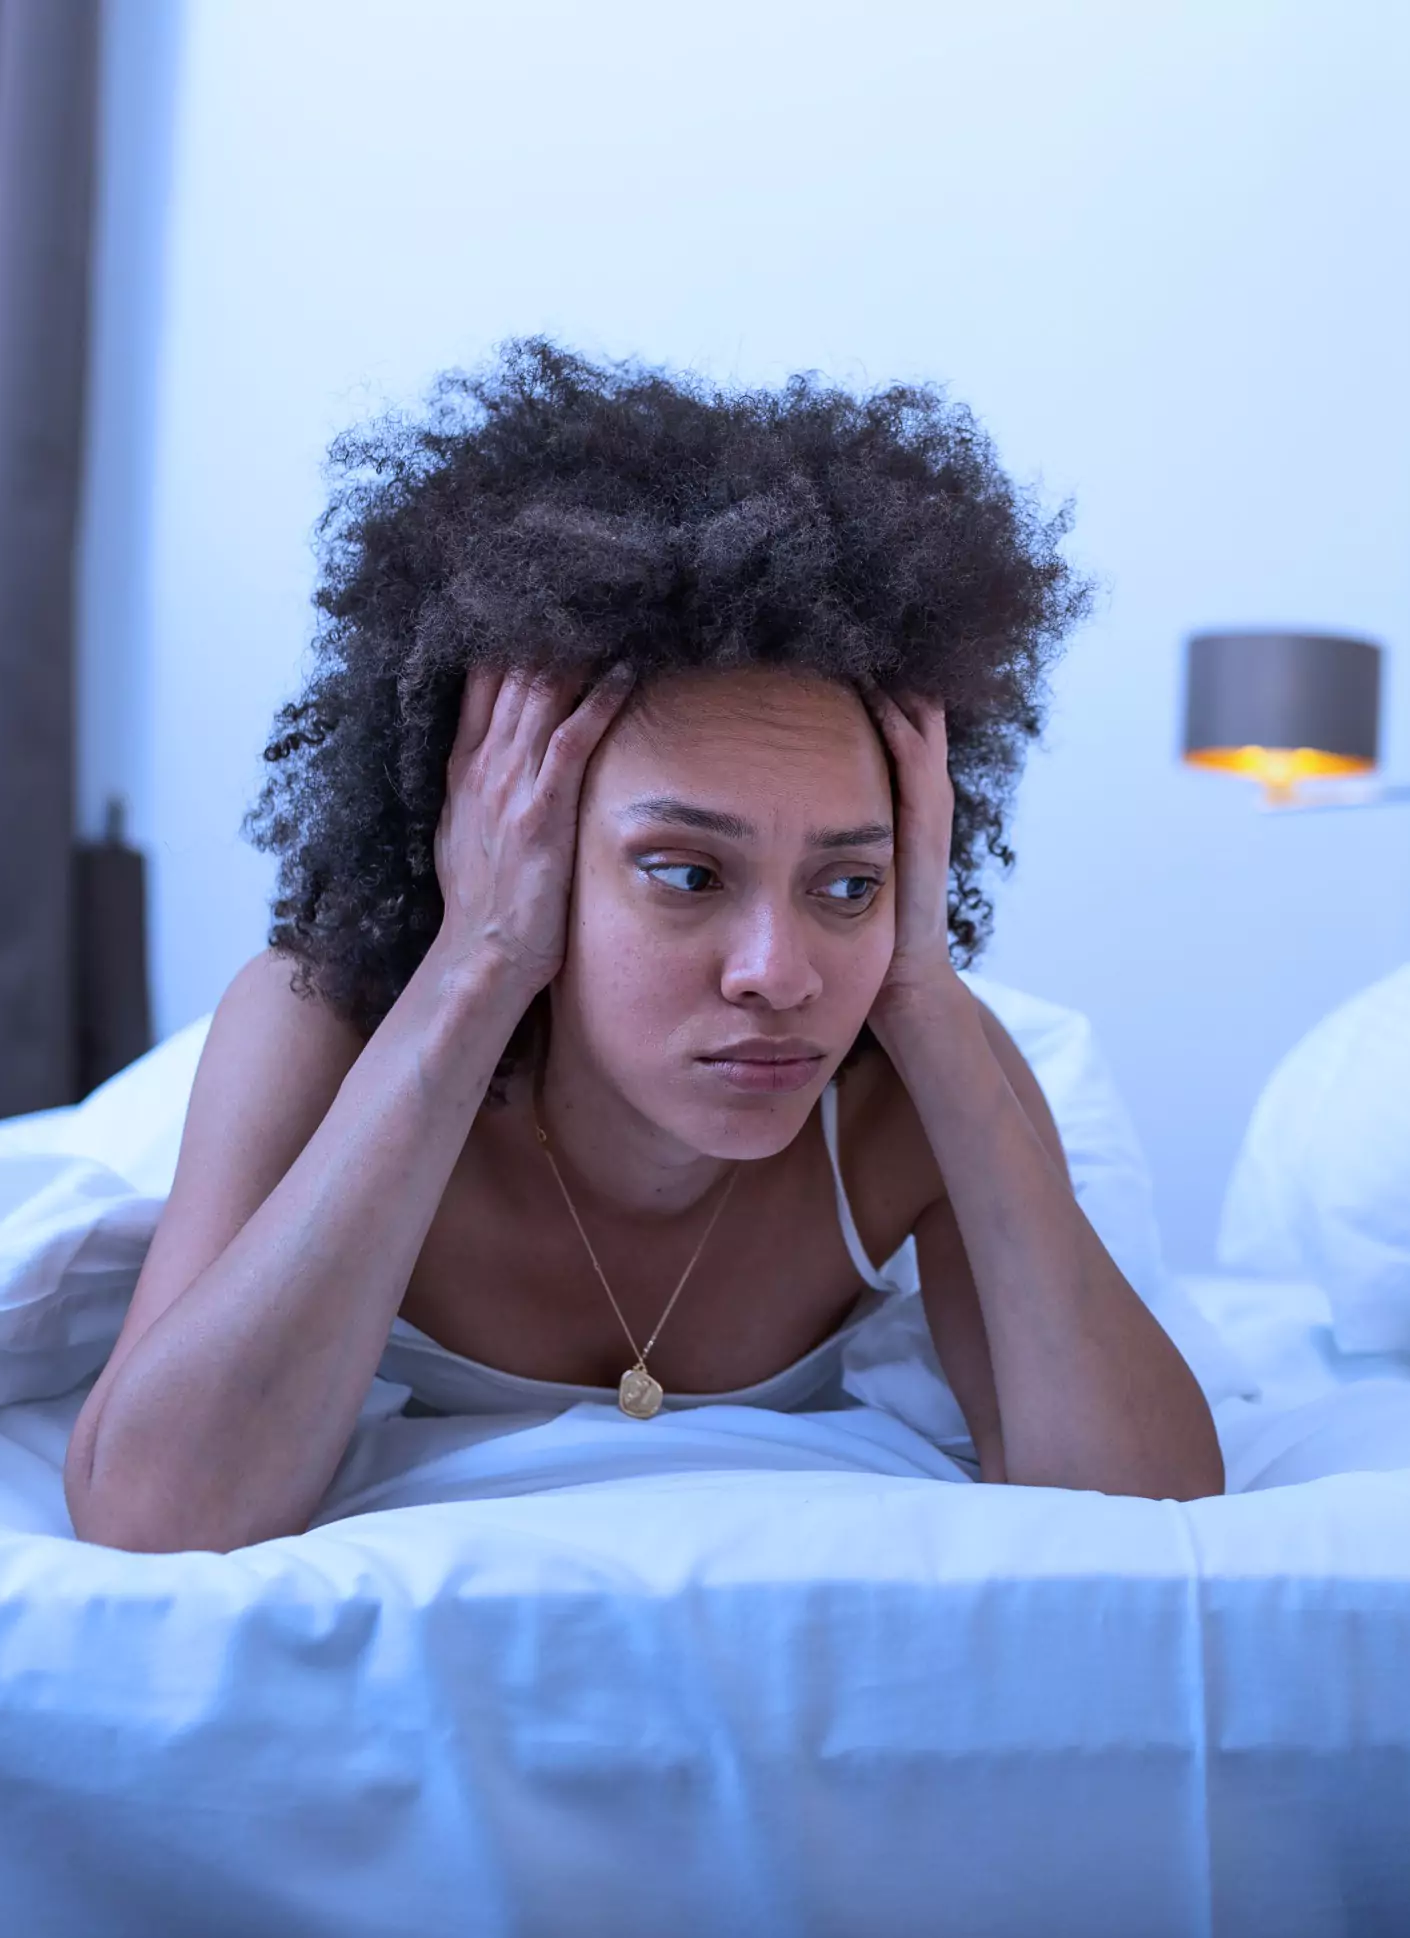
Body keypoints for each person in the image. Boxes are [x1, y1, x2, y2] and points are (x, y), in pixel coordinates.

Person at [64, 344, 1225, 1552]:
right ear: (523, 843)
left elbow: (1155, 1517)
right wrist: (477, 963)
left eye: (847, 880)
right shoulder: (318, 1025)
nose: (778, 971)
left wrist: (924, 987)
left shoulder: (909, 1082)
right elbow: (151, 1512)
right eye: (687, 872)